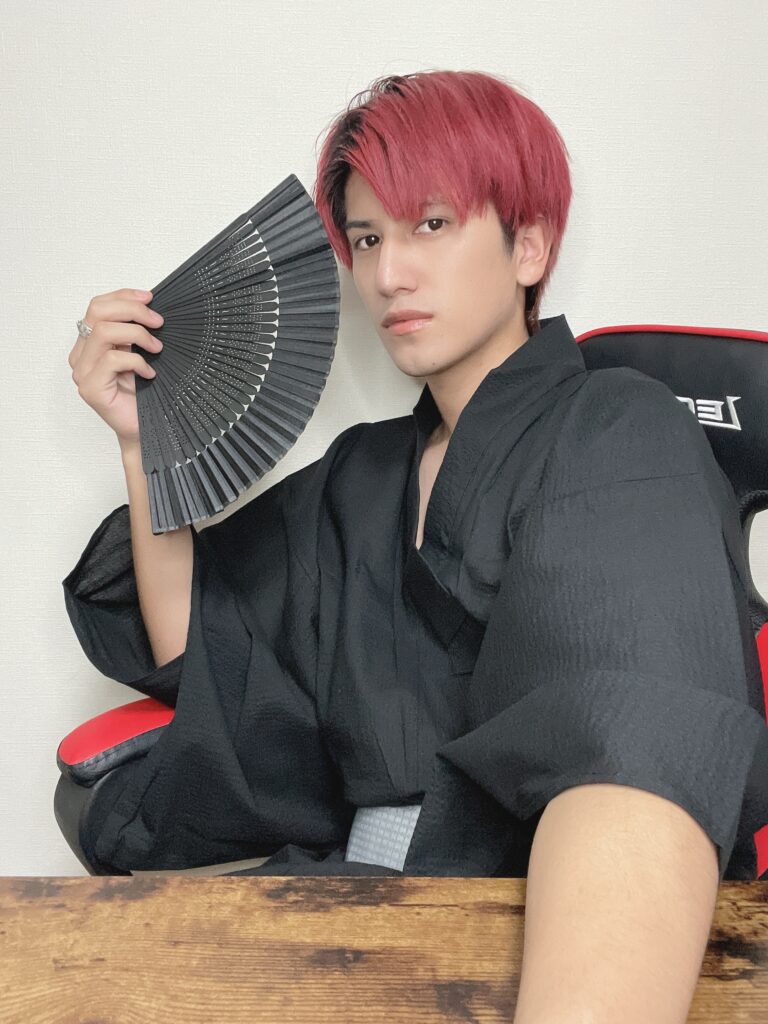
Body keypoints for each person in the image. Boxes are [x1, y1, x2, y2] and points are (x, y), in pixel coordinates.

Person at [64, 70, 768, 891]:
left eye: (430, 224)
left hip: (547, 903)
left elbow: (639, 740)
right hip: (361, 900)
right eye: (366, 240)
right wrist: (143, 444)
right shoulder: (358, 478)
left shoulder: (618, 430)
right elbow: (208, 662)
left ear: (530, 246)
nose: (388, 274)